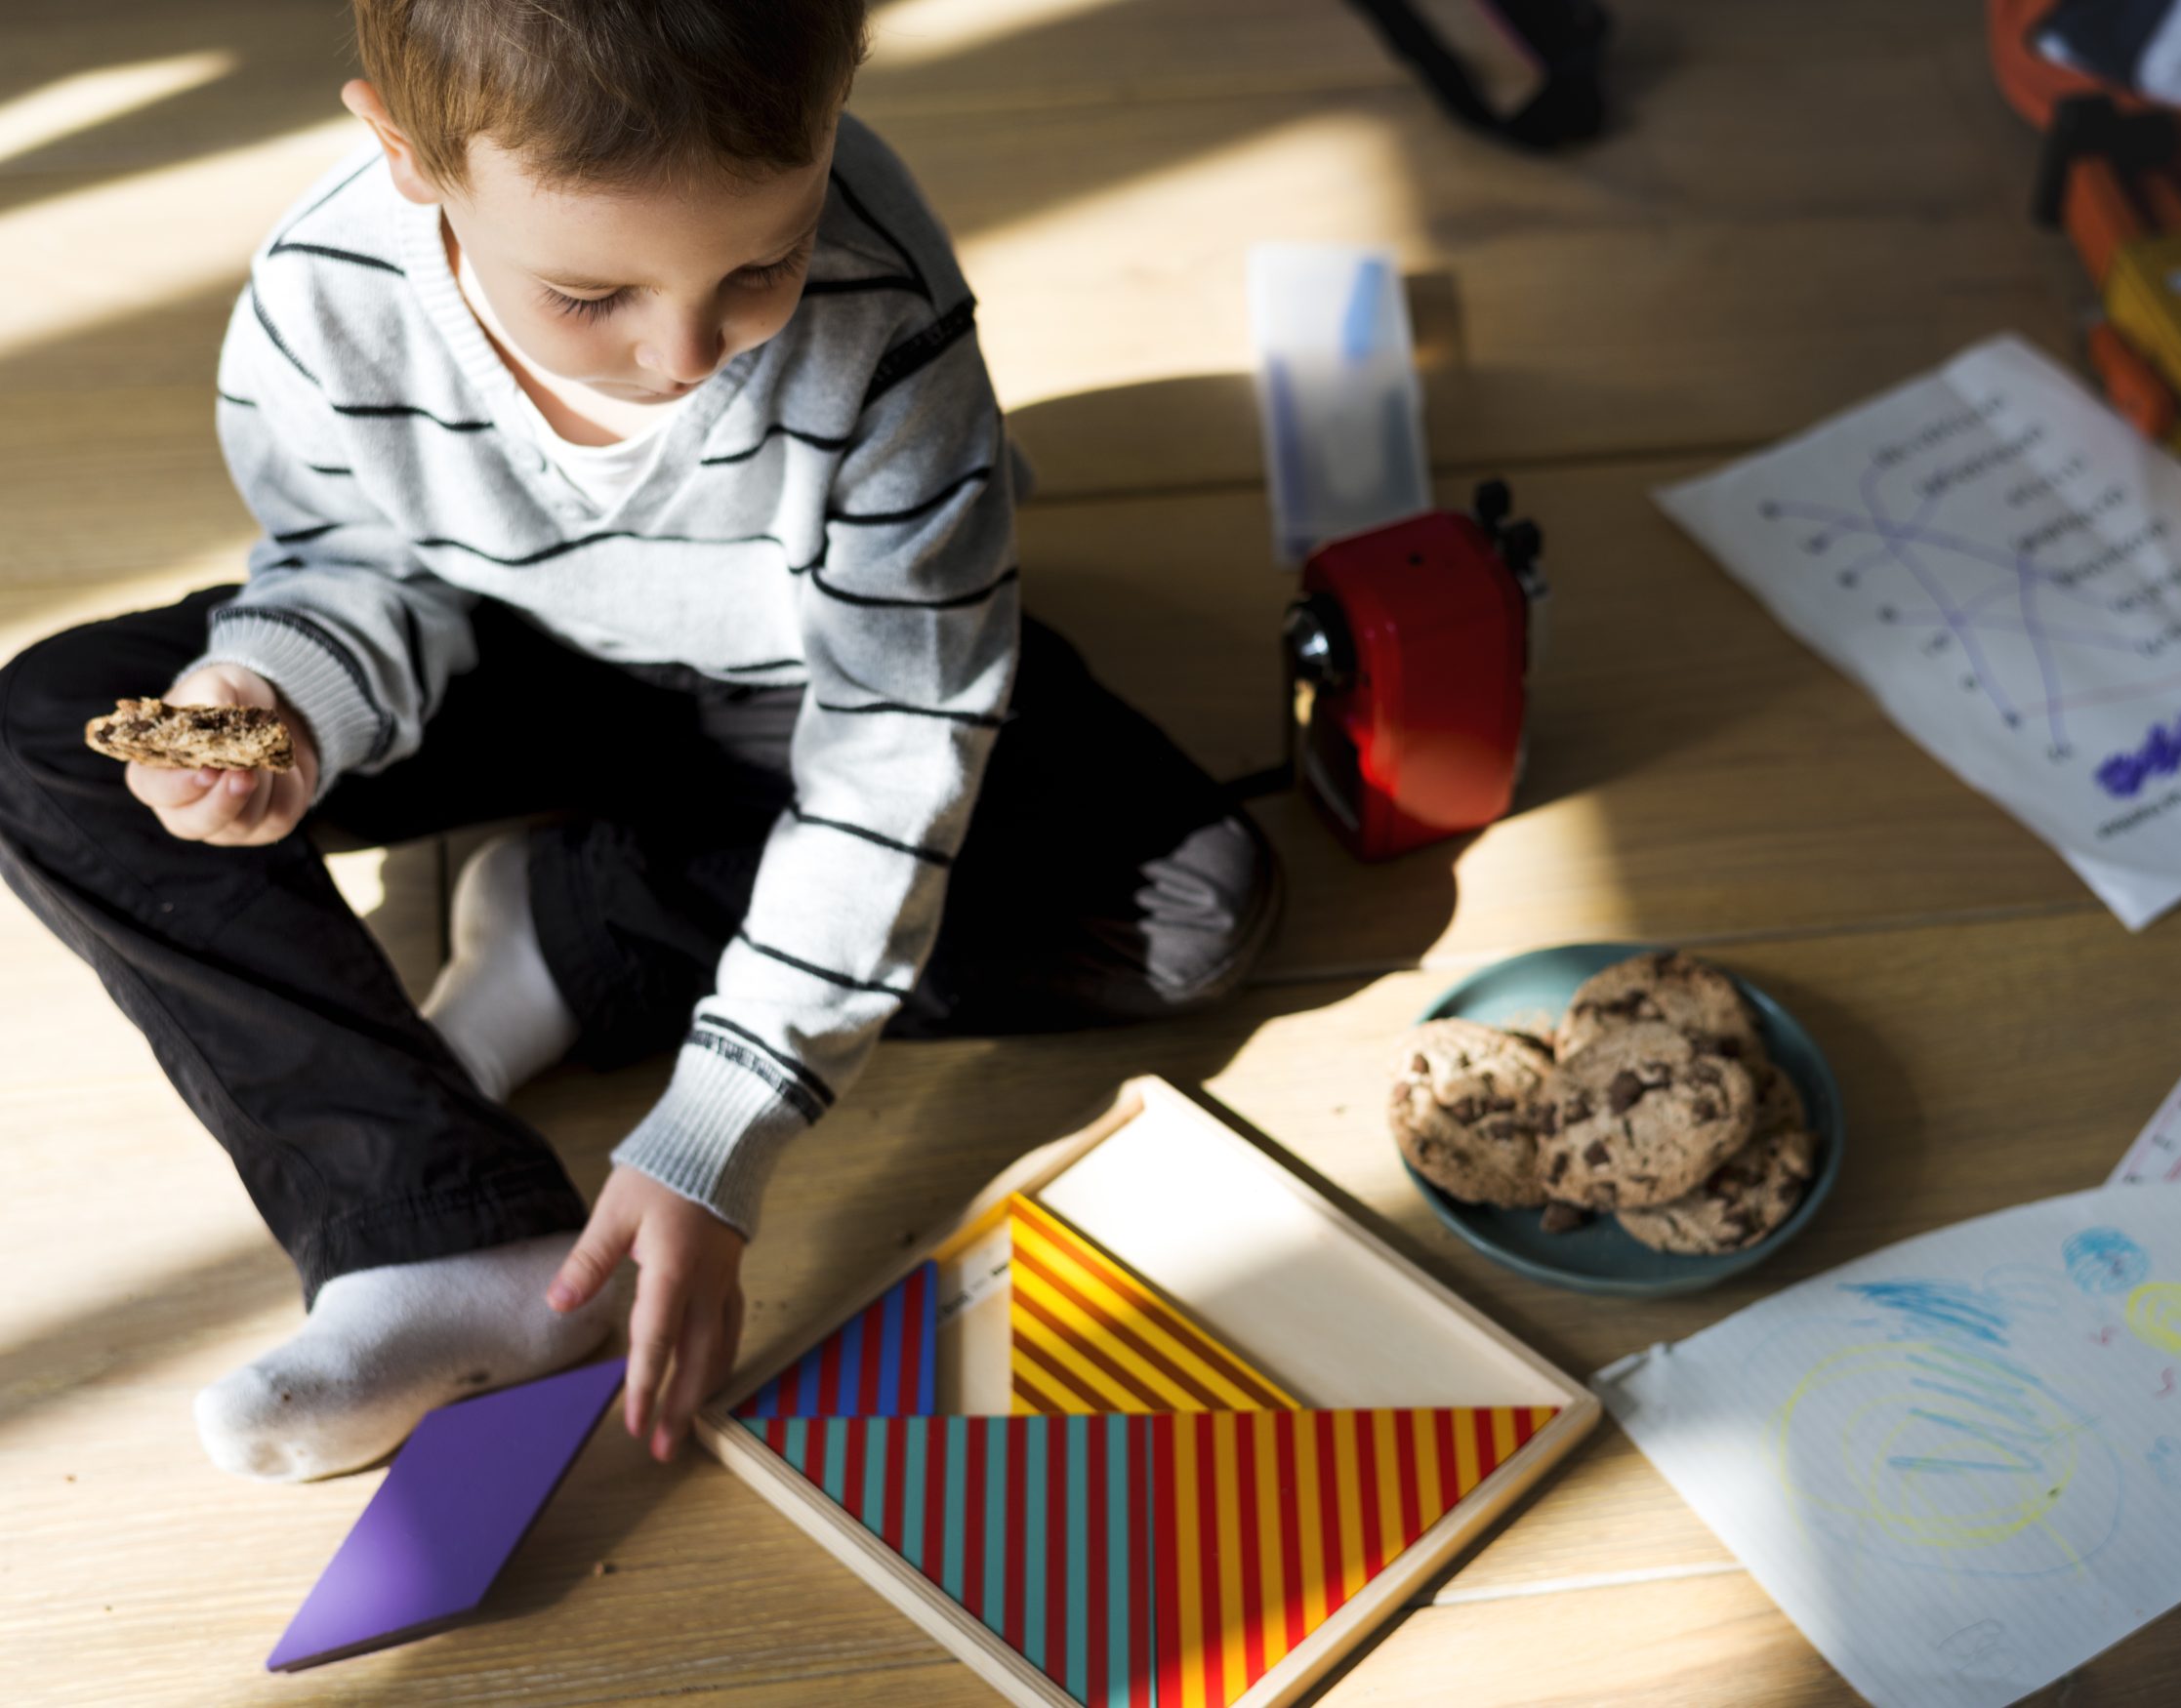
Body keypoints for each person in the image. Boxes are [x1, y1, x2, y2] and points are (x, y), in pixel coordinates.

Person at [0, 0, 1276, 1484]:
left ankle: (580, 923)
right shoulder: (330, 285)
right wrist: (281, 698)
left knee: (1194, 912)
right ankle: (430, 1218)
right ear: (410, 156)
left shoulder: (881, 321)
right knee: (47, 736)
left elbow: (896, 730)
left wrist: (718, 1125)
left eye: (761, 264)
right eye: (592, 295)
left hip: (792, 670)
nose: (684, 352)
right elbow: (350, 559)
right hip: (496, 646)